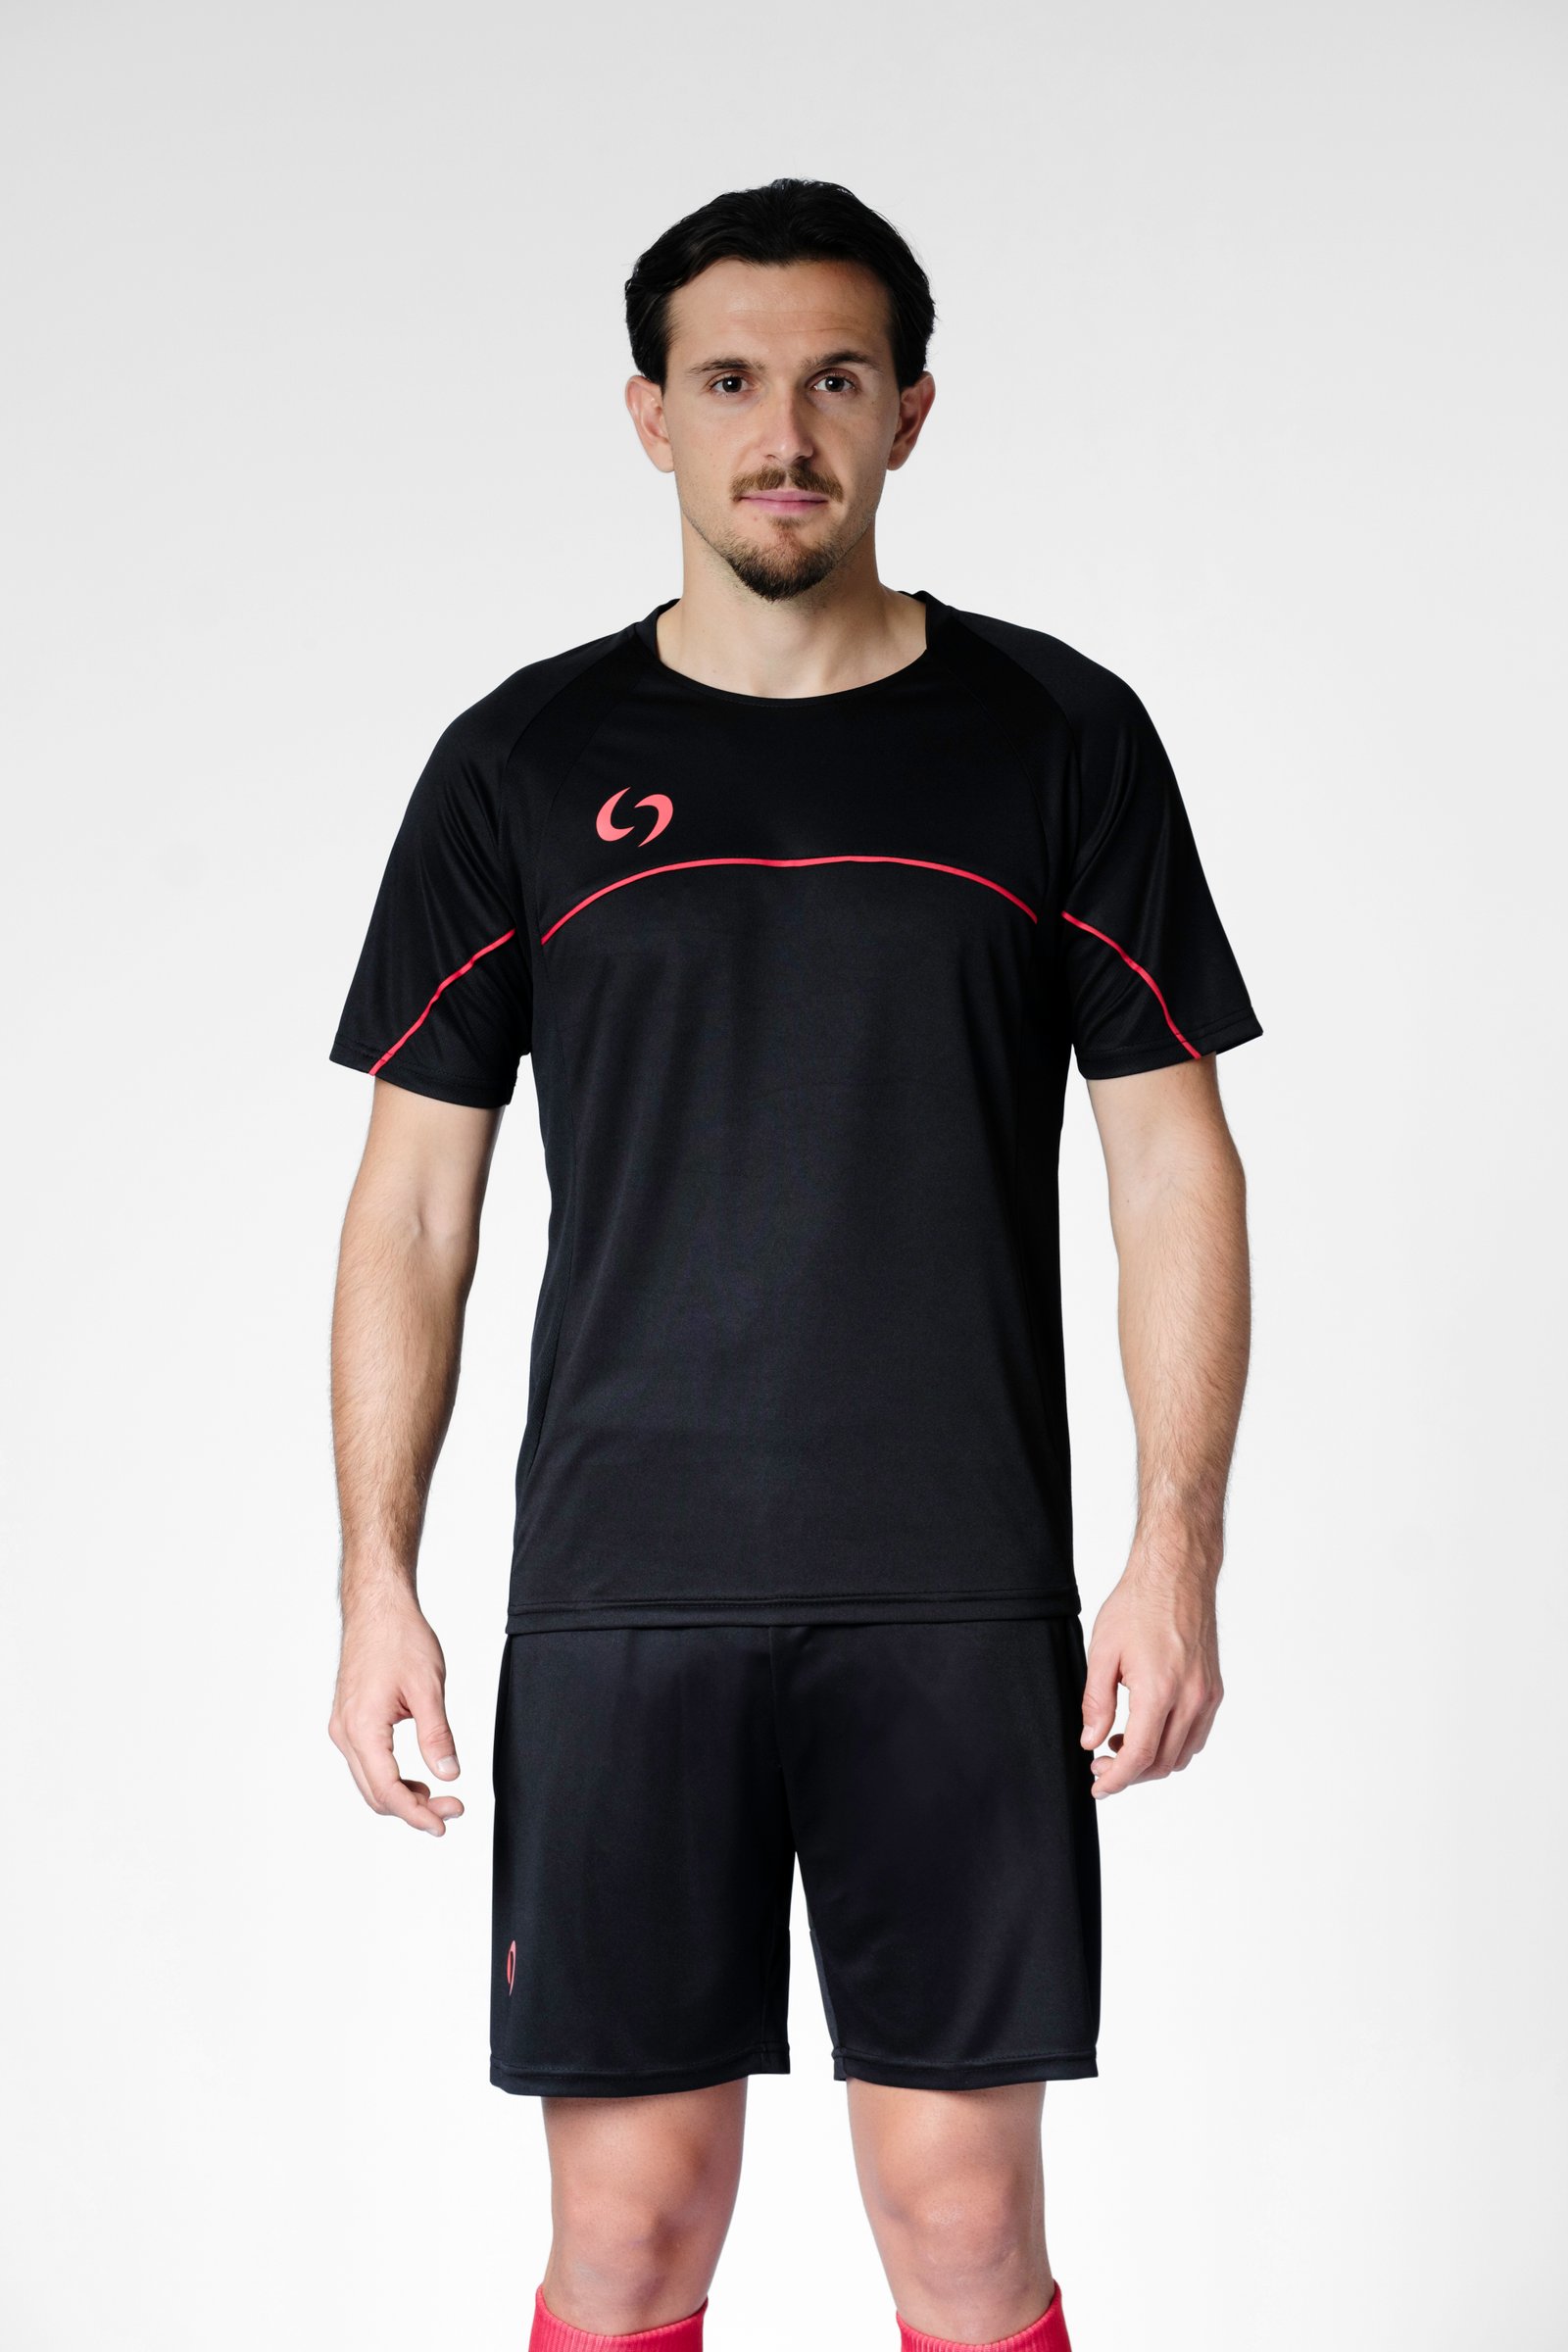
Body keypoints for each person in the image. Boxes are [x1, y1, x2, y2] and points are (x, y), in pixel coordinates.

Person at [325, 176, 1260, 2352]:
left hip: (954, 1586)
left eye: (836, 379)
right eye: (730, 379)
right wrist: (377, 1577)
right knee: (629, 2239)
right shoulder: (523, 763)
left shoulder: (1056, 738)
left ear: (910, 412)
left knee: (965, 2228)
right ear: (648, 414)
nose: (783, 431)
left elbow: (1169, 1166)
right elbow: (414, 1203)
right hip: (622, 1591)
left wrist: (1174, 1545)